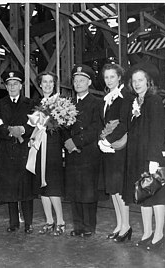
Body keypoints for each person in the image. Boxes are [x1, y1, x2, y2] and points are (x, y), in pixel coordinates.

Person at [124, 62, 165, 250]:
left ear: (148, 82)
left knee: (157, 197)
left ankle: (159, 235)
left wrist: (153, 158)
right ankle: (147, 233)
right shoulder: (137, 102)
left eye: (140, 80)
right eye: (134, 81)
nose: (137, 84)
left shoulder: (154, 101)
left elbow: (158, 131)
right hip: (138, 156)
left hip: (150, 157)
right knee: (143, 196)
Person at [0, 70, 36, 234]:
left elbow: (35, 124)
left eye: (15, 84)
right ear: (6, 86)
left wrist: (23, 130)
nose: (12, 87)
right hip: (7, 149)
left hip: (24, 150)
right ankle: (13, 222)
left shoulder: (30, 103)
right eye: (9, 84)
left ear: (21, 85)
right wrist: (10, 131)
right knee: (10, 188)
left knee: (26, 188)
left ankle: (29, 223)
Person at [63, 64, 102, 237]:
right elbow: (61, 125)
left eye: (82, 80)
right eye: (75, 80)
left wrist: (76, 142)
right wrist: (67, 142)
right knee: (74, 190)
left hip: (88, 153)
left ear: (89, 82)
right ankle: (77, 225)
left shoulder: (96, 103)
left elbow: (96, 127)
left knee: (88, 191)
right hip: (71, 153)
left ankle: (89, 226)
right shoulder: (67, 103)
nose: (78, 83)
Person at [97, 64, 134, 242]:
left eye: (112, 77)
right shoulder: (108, 98)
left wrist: (108, 140)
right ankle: (119, 224)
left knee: (119, 189)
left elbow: (124, 123)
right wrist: (102, 138)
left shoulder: (124, 97)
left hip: (118, 148)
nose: (109, 80)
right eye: (106, 77)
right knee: (112, 189)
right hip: (108, 148)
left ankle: (126, 225)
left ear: (119, 77)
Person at [34, 71, 65, 236]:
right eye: (44, 82)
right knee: (42, 185)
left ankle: (60, 221)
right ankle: (49, 221)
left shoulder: (60, 103)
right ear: (40, 84)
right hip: (39, 148)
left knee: (53, 186)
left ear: (54, 85)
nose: (47, 85)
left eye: (50, 82)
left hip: (53, 148)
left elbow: (64, 126)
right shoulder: (35, 103)